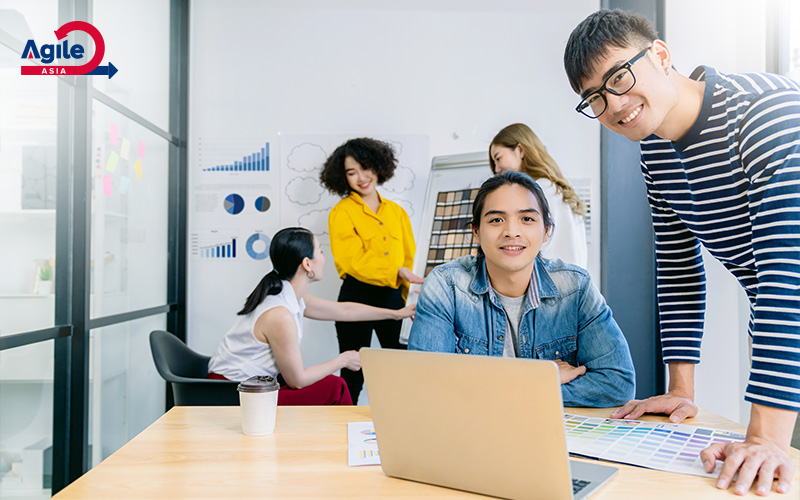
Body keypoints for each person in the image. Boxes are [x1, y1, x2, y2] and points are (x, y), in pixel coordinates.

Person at [564, 9, 800, 495]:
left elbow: (788, 277)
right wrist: (680, 391)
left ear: (661, 55)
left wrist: (764, 438)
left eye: (619, 77)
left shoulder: (764, 116)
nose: (614, 105)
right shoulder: (655, 152)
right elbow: (678, 271)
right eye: (595, 98)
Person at [407, 171, 635, 407]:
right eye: (496, 220)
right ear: (476, 231)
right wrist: (535, 379)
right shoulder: (446, 286)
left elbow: (617, 384)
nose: (511, 232)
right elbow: (426, 384)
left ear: (546, 231)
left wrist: (492, 391)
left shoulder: (575, 287)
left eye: (527, 219)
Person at [207, 227, 416, 406]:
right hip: (234, 396)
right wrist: (343, 360)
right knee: (337, 387)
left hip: (248, 388)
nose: (324, 259)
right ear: (307, 264)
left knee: (332, 386)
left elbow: (344, 311)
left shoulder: (290, 296)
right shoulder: (279, 314)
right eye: (321, 251)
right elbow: (297, 380)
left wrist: (396, 314)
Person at [320, 137, 423, 404]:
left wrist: (406, 292)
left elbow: (409, 257)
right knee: (354, 369)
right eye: (350, 172)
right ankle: (343, 425)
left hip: (393, 296)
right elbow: (351, 261)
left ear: (378, 166)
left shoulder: (397, 212)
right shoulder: (341, 212)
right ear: (342, 178)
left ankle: (406, 421)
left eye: (364, 168)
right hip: (356, 296)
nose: (361, 177)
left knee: (402, 362)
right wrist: (396, 271)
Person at [489, 123, 588, 268]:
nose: (497, 169)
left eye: (498, 158)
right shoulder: (556, 188)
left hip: (549, 283)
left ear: (520, 150)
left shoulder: (538, 190)